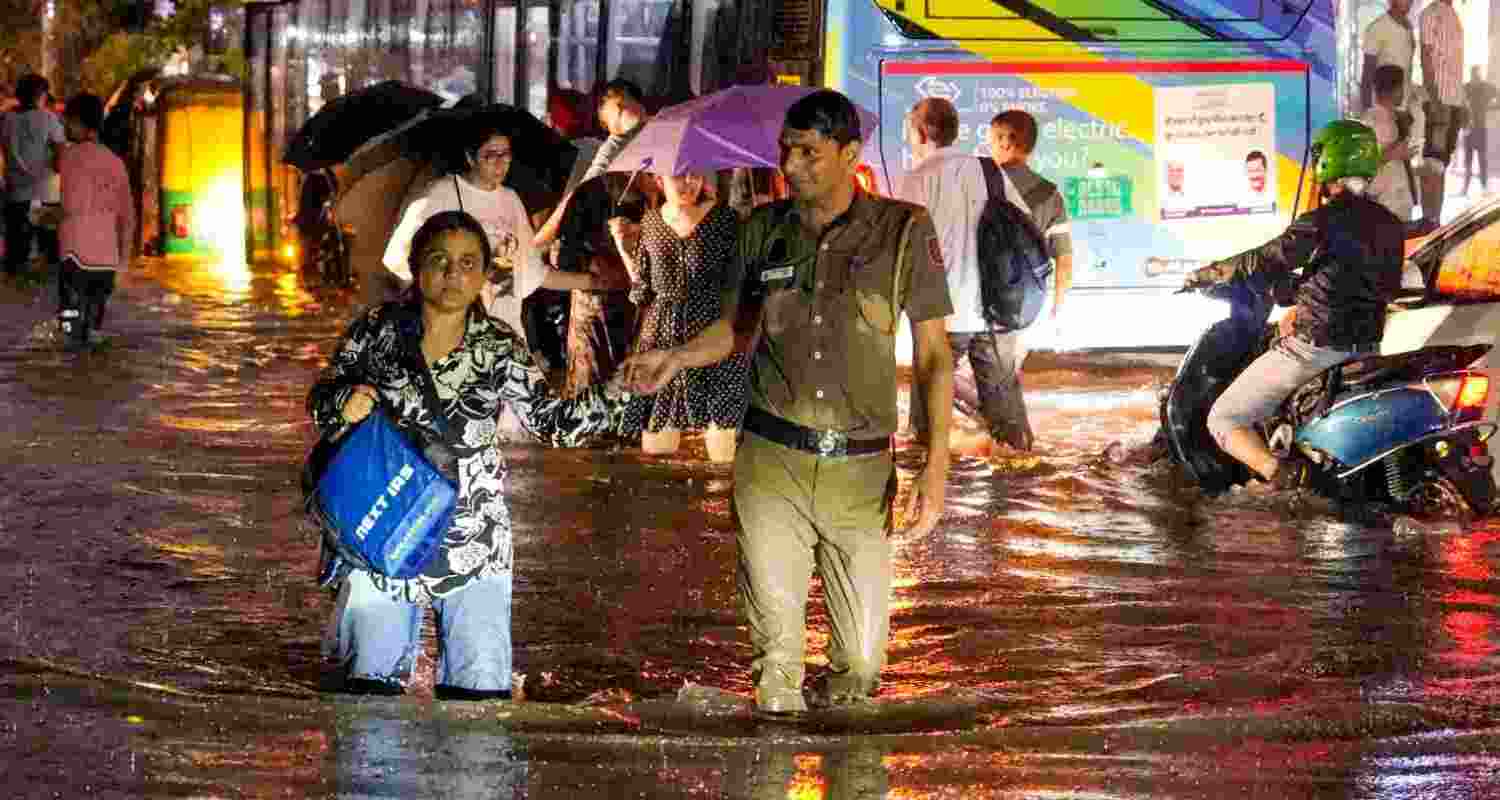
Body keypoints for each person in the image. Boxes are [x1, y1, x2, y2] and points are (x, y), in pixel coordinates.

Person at [620, 89, 955, 714]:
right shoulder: (761, 231)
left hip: (862, 477)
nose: (790, 165)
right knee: (776, 667)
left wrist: (934, 467)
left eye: (808, 152)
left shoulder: (904, 231)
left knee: (859, 672)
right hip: (771, 463)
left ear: (849, 153)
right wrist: (672, 359)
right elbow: (730, 332)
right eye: (785, 151)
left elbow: (935, 355)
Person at [308, 210, 635, 699]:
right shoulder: (374, 331)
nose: (452, 275)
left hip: (475, 542)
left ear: (485, 274)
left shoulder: (500, 346)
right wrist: (342, 402)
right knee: (367, 704)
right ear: (416, 267)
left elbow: (555, 425)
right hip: (383, 532)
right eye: (439, 260)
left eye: (467, 263)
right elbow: (320, 401)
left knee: (478, 707)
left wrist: (621, 389)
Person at [1181, 120, 1402, 489]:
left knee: (1224, 417)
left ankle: (1283, 478)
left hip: (1315, 349)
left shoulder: (1322, 221)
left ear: (1328, 162)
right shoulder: (1391, 225)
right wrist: (1301, 292)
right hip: (1366, 349)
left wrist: (1210, 273)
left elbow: (1265, 260)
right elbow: (1368, 283)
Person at [381, 124, 608, 336]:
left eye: (506, 154)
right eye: (490, 155)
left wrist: (592, 282)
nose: (500, 163)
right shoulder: (441, 193)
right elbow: (399, 258)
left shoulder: (511, 199)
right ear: (470, 158)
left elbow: (532, 272)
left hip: (504, 330)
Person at [895, 97, 1025, 452]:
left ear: (922, 133)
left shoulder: (918, 178)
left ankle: (930, 477)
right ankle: (1015, 487)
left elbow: (904, 245)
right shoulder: (989, 170)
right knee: (1009, 427)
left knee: (926, 420)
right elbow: (1020, 226)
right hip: (994, 311)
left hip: (941, 313)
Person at [613, 171, 747, 463]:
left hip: (712, 334)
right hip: (660, 333)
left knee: (723, 444)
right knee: (656, 448)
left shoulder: (726, 219)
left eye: (694, 173)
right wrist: (623, 249)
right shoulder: (650, 221)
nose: (689, 182)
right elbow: (642, 291)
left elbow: (737, 281)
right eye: (678, 175)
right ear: (658, 180)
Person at [969, 109, 1074, 450]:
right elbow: (1064, 256)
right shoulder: (1049, 193)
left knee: (995, 379)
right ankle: (1012, 442)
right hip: (1028, 303)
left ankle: (1013, 447)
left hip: (983, 299)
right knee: (1007, 374)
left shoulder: (982, 185)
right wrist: (1057, 304)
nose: (990, 146)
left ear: (1006, 141)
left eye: (993, 139)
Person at [554, 170, 654, 397]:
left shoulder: (654, 199)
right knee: (587, 392)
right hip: (593, 313)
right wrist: (599, 273)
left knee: (628, 388)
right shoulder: (590, 191)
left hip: (635, 313)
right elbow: (562, 257)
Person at [54, 93, 134, 351]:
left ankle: (68, 363)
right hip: (107, 258)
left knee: (68, 321)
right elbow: (127, 217)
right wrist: (123, 262)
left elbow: (69, 207)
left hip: (74, 252)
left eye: (67, 120)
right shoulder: (116, 163)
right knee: (94, 327)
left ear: (79, 123)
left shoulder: (68, 158)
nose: (64, 125)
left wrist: (45, 217)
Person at [1, 74, 64, 276]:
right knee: (50, 253)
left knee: (16, 256)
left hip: (16, 194)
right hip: (46, 195)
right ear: (41, 95)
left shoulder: (7, 119)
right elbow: (60, 153)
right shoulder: (48, 118)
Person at [1416, 0, 1463, 231]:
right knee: (1433, 164)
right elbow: (1425, 56)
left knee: (1441, 165)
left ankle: (1435, 222)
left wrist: (1462, 103)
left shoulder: (1453, 14)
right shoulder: (1430, 14)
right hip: (1439, 100)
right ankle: (1428, 222)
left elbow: (1455, 66)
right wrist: (1434, 100)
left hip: (1453, 101)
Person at [1362, 64, 1418, 223]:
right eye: (1403, 87)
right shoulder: (1371, 121)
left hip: (1398, 200)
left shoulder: (1395, 118)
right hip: (1384, 204)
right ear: (1397, 89)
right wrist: (1393, 154)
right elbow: (1362, 162)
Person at [1360, 0, 1415, 112]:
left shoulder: (1409, 27)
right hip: (1384, 109)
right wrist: (1367, 111)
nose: (1409, 2)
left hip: (1404, 109)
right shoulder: (1377, 28)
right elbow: (1367, 75)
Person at [1463, 66, 1495, 195]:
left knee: (1482, 159)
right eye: (1474, 73)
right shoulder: (1466, 87)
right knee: (1468, 160)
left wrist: (1490, 107)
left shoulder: (1485, 87)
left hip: (1480, 128)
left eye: (1477, 73)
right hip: (1469, 128)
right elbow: (1459, 102)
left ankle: (1484, 187)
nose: (1475, 76)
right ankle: (1466, 187)